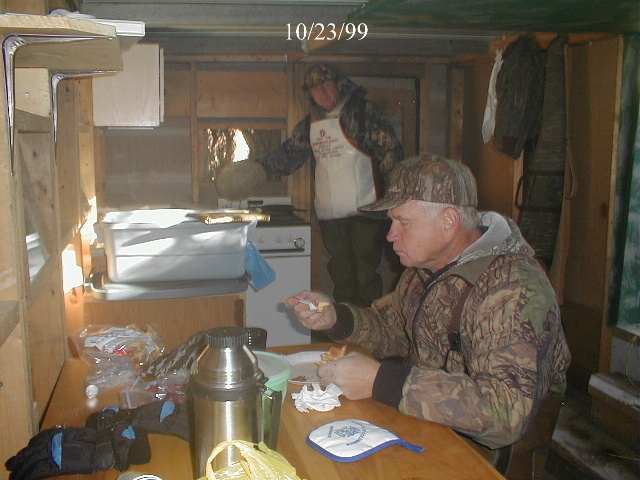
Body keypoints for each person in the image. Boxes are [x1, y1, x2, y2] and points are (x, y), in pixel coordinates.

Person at [285, 153, 571, 452]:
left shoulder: (513, 288)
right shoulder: (424, 271)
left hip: (489, 452)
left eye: (403, 222)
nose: (391, 235)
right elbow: (391, 330)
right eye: (391, 221)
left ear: (448, 221)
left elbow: (504, 414)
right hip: (428, 423)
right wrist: (336, 318)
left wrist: (383, 382)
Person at [256, 64, 403, 307]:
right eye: (315, 89)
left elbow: (391, 152)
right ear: (310, 94)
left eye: (326, 86)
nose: (322, 93)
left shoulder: (363, 114)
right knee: (341, 272)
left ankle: (372, 326)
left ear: (339, 84)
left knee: (366, 272)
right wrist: (259, 168)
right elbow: (291, 155)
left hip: (365, 211)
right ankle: (344, 323)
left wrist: (395, 196)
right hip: (328, 212)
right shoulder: (309, 124)